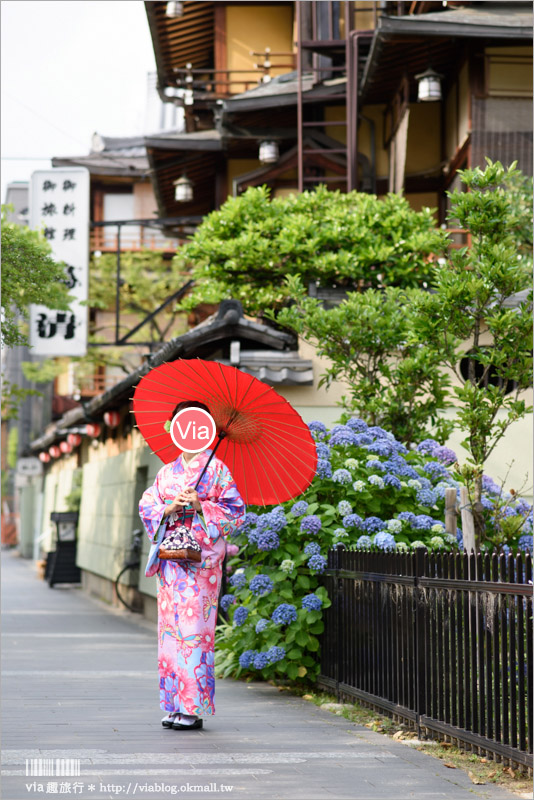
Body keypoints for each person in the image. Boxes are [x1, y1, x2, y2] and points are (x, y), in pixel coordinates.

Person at [139, 401, 245, 730]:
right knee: (170, 632)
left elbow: (235, 511)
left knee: (195, 633)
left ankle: (193, 708)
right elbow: (148, 503)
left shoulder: (217, 470)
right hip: (172, 562)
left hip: (200, 564)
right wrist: (169, 508)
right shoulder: (166, 472)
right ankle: (173, 703)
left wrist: (201, 506)